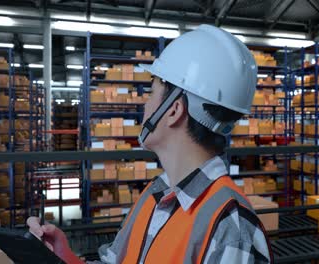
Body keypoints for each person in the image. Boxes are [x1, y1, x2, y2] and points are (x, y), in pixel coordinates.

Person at [28, 24, 273, 263]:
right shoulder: (156, 193)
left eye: (151, 93)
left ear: (175, 110)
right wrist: (64, 257)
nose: (144, 105)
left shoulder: (230, 228)